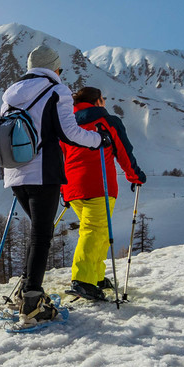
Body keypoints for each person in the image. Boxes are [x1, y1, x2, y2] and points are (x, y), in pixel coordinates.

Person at [0, 44, 103, 323]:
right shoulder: (56, 90)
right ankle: (32, 302)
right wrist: (98, 140)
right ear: (54, 67)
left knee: (38, 232)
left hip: (14, 173)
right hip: (42, 173)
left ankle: (26, 292)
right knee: (41, 235)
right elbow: (69, 132)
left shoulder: (11, 93)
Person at [59, 86, 145, 301]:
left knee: (100, 232)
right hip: (98, 185)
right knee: (93, 231)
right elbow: (124, 151)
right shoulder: (107, 121)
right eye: (103, 98)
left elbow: (61, 157)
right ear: (97, 101)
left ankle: (96, 277)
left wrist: (62, 189)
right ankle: (83, 281)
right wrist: (134, 175)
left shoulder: (67, 124)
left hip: (72, 187)